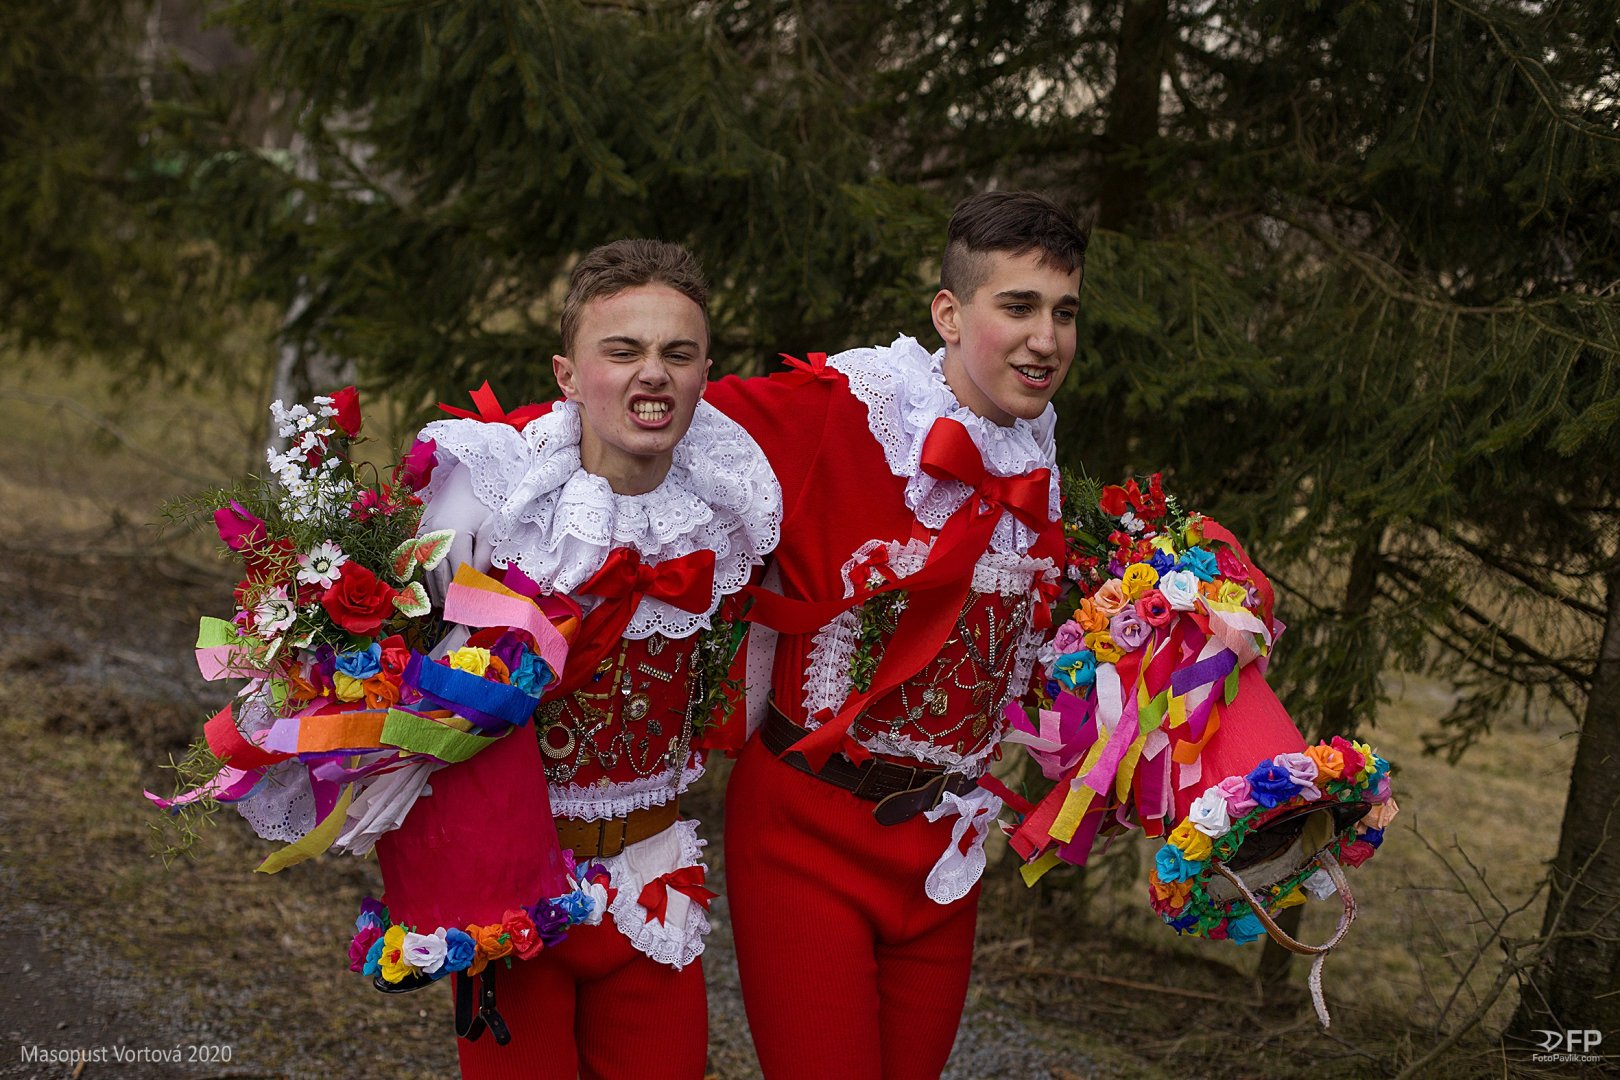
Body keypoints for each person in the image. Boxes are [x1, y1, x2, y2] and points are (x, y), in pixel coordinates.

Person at [703, 190, 1088, 1079]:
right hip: (806, 839)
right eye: (1019, 306)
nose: (1046, 339)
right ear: (948, 314)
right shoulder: (849, 408)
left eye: (1065, 313)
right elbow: (668, 415)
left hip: (944, 853)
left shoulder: (1035, 455)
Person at [412, 239, 782, 1080]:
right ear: (569, 375)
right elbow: (408, 671)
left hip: (653, 885)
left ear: (705, 373)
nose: (654, 374)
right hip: (513, 887)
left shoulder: (728, 513)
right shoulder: (494, 503)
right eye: (623, 351)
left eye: (677, 353)